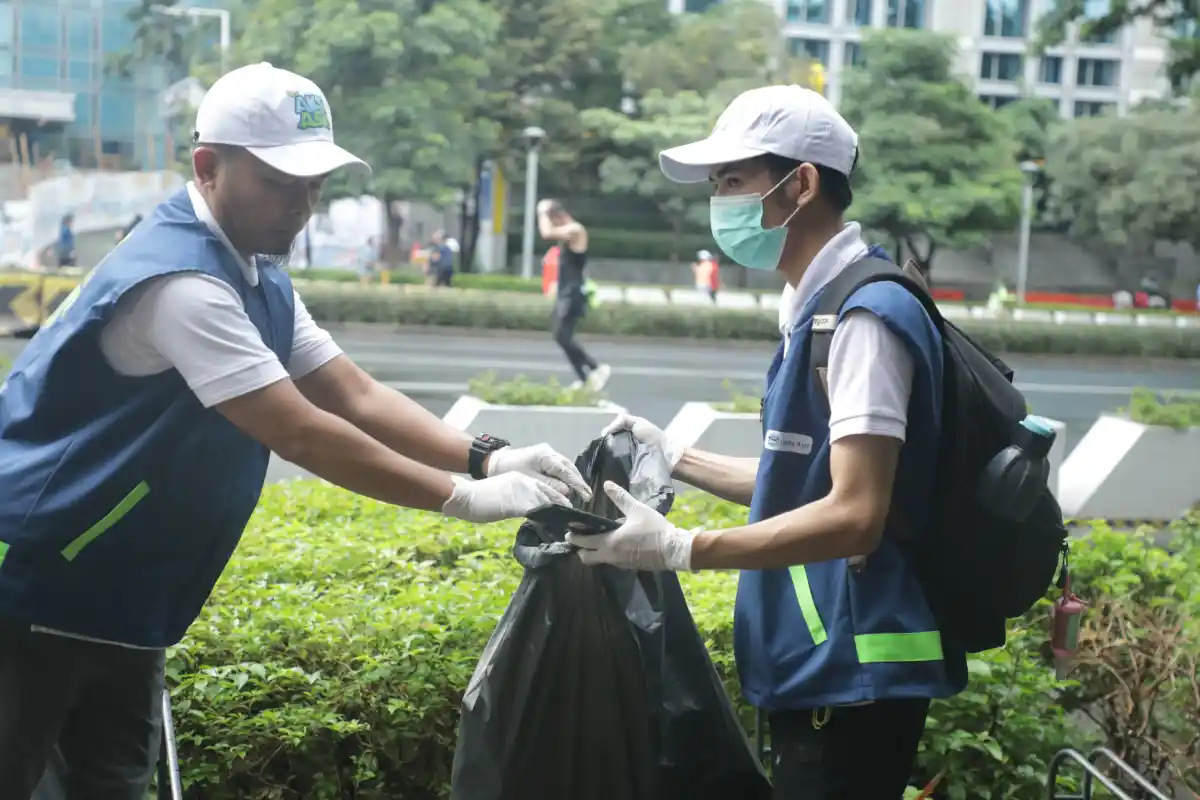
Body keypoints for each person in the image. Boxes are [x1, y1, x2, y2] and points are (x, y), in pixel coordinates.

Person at [0, 62, 588, 800]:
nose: (303, 204)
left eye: (316, 184)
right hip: (35, 587)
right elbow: (303, 432)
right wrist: (464, 498)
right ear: (208, 167)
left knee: (110, 786)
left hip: (123, 595)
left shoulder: (256, 271)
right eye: (280, 182)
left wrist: (490, 456)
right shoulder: (184, 284)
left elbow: (353, 392)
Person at [567, 85, 965, 798]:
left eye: (733, 181)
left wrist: (683, 548)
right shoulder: (813, 308)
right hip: (820, 666)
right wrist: (676, 458)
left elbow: (855, 515)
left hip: (855, 672)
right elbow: (805, 484)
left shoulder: (864, 320)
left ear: (801, 184)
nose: (718, 201)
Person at [536, 199, 610, 390]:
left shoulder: (576, 229)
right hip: (565, 292)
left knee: (563, 335)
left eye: (554, 221)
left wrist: (542, 211)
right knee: (560, 336)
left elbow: (546, 233)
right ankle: (586, 377)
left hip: (573, 293)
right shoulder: (567, 234)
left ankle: (595, 368)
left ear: (560, 216)